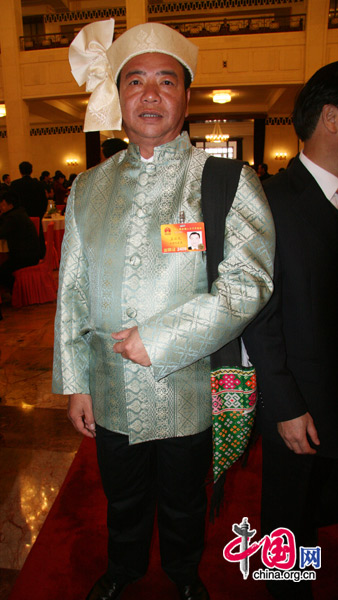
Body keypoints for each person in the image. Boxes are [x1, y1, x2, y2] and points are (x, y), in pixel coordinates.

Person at [53, 20, 275, 600]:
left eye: (166, 81)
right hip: (110, 384)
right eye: (135, 81)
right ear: (120, 95)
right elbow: (72, 291)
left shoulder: (226, 181)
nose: (150, 95)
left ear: (186, 95)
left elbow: (248, 283)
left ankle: (182, 574)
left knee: (183, 496)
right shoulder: (87, 188)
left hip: (188, 383)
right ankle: (123, 569)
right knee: (121, 495)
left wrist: (162, 339)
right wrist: (77, 383)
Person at [243, 61, 338, 599]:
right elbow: (259, 316)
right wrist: (282, 406)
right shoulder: (272, 203)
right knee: (289, 527)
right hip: (299, 401)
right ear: (331, 117)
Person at [0, 190, 40, 289]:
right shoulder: (18, 213)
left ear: (10, 205)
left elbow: (1, 233)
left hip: (25, 257)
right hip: (30, 253)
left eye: (3, 204)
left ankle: (16, 292)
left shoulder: (13, 217)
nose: (1, 207)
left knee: (2, 271)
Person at [11, 161, 47, 257]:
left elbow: (12, 203)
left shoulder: (14, 185)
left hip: (20, 219)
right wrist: (40, 215)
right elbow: (44, 202)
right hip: (36, 216)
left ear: (20, 171)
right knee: (38, 239)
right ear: (31, 171)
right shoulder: (39, 185)